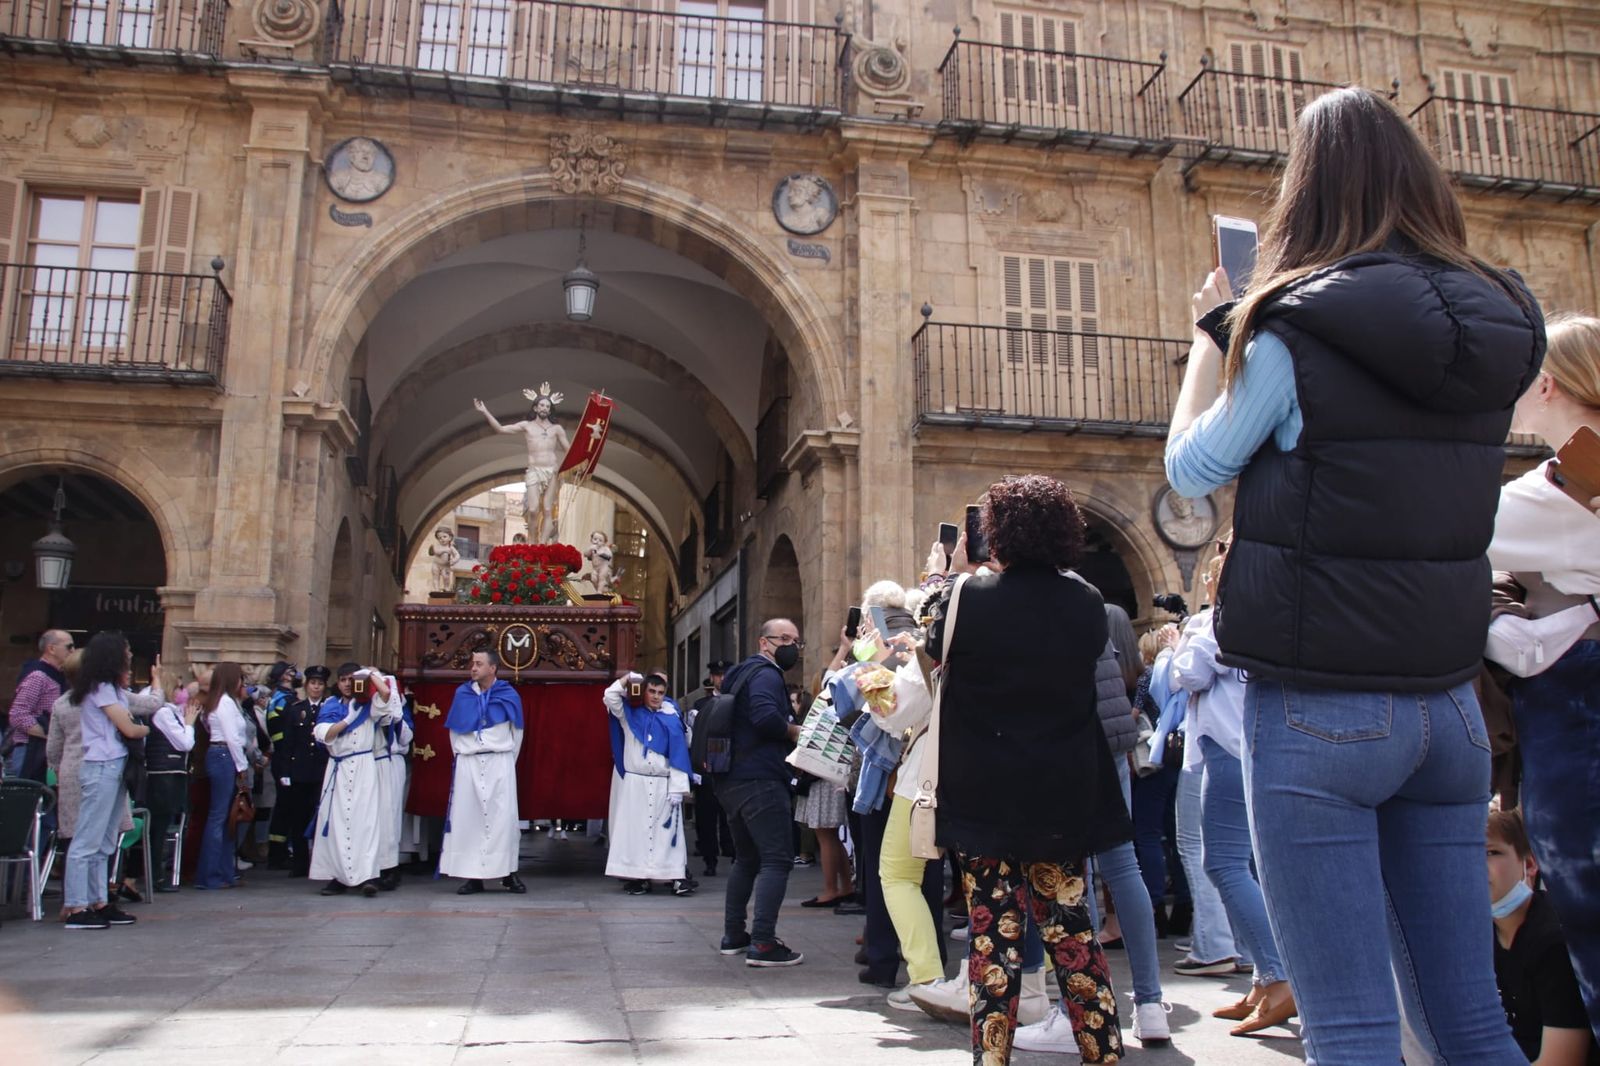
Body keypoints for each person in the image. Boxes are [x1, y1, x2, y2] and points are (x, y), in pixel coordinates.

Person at [1164, 86, 1544, 1062]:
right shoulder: (1501, 328)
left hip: (1318, 708)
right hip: (1450, 711)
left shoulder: (1293, 331)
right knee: (1467, 1019)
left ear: (1308, 197)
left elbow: (1192, 470)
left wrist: (1213, 340)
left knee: (1353, 1024)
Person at [912, 475, 1130, 1065]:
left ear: (998, 533)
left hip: (985, 795)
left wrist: (945, 572)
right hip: (1060, 793)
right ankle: (1103, 1052)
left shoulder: (969, 597)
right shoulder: (1086, 603)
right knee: (1071, 932)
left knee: (993, 935)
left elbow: (931, 642)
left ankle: (993, 1057)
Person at [1486, 312, 1600, 1037]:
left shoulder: (1550, 492)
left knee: (1589, 918)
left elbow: (1445, 532)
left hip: (1576, 722)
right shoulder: (1565, 476)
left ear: (1549, 384)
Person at [1171, 579, 1295, 1037]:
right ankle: (1266, 978)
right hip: (1241, 745)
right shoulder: (1258, 610)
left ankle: (1279, 975)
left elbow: (1188, 674)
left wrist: (1198, 627)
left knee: (1222, 863)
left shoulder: (1224, 619)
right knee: (1241, 863)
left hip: (1229, 746)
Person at [716, 618, 805, 967]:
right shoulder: (767, 675)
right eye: (783, 639)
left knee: (747, 859)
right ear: (763, 642)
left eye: (796, 641)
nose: (791, 647)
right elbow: (766, 718)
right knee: (777, 859)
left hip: (733, 780)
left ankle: (734, 935)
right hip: (761, 780)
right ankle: (764, 943)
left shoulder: (740, 673)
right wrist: (793, 730)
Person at [1487, 808, 1600, 1065]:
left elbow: (1561, 1060)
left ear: (1529, 864)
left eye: (1491, 852)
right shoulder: (1482, 936)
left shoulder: (1553, 942)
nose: (1476, 866)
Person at [62, 633, 149, 930]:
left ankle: (98, 899)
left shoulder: (111, 689)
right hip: (101, 765)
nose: (129, 654)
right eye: (125, 650)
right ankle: (76, 905)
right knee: (87, 838)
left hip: (114, 765)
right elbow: (127, 726)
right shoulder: (99, 689)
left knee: (105, 840)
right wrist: (144, 730)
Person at [439, 650, 526, 895]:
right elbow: (454, 731)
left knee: (503, 820)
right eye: (472, 663)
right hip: (469, 762)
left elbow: (516, 732)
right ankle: (472, 875)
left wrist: (507, 760)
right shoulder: (463, 694)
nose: (473, 668)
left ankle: (508, 872)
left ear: (493, 668)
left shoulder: (508, 695)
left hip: (500, 761)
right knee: (470, 820)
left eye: (479, 664)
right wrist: (463, 754)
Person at [310, 663, 398, 897]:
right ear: (337, 683)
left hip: (363, 766)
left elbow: (386, 693)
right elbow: (325, 733)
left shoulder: (369, 705)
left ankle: (367, 875)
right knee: (337, 822)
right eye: (343, 680)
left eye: (352, 679)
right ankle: (337, 876)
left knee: (365, 821)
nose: (348, 684)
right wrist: (349, 719)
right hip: (338, 766)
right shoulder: (331, 706)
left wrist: (370, 674)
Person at [602, 671, 693, 896]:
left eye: (660, 693)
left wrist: (678, 788)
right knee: (637, 832)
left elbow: (679, 753)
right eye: (651, 691)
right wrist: (627, 678)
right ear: (643, 691)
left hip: (663, 784)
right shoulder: (630, 713)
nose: (655, 696)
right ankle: (638, 878)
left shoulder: (672, 718)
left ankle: (675, 877)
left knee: (668, 834)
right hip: (636, 782)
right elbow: (610, 696)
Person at [270, 664, 330, 879]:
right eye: (313, 683)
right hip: (300, 769)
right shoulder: (295, 708)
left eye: (320, 683)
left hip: (322, 769)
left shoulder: (329, 707)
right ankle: (300, 863)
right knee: (299, 817)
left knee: (321, 815)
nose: (316, 687)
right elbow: (288, 742)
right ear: (306, 685)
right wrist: (285, 771)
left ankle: (321, 861)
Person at [194, 662, 250, 891]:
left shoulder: (219, 702)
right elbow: (232, 738)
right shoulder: (225, 703)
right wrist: (242, 766)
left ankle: (224, 871)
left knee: (226, 816)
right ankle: (211, 874)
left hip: (220, 755)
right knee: (219, 816)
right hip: (225, 755)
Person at [144, 678, 199, 893]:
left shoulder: (174, 712)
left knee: (164, 825)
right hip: (162, 775)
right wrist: (189, 724)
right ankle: (155, 876)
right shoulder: (163, 713)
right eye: (177, 687)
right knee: (158, 828)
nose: (181, 691)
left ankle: (157, 872)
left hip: (173, 774)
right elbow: (185, 743)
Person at [688, 660, 734, 876]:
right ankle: (709, 858)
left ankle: (734, 854)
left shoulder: (739, 702)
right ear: (712, 678)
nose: (722, 678)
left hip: (732, 768)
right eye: (718, 675)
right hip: (708, 767)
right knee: (706, 817)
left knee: (732, 815)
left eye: (725, 674)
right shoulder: (700, 706)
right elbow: (694, 738)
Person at [5, 630, 71, 778]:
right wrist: (50, 733)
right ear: (52, 649)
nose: (72, 650)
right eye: (69, 646)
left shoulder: (61, 676)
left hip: (47, 752)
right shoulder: (38, 676)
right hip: (30, 750)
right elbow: (18, 714)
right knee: (28, 798)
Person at [379, 689, 414, 890]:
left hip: (390, 761)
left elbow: (405, 737)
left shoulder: (399, 707)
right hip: (367, 762)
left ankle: (389, 866)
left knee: (390, 815)